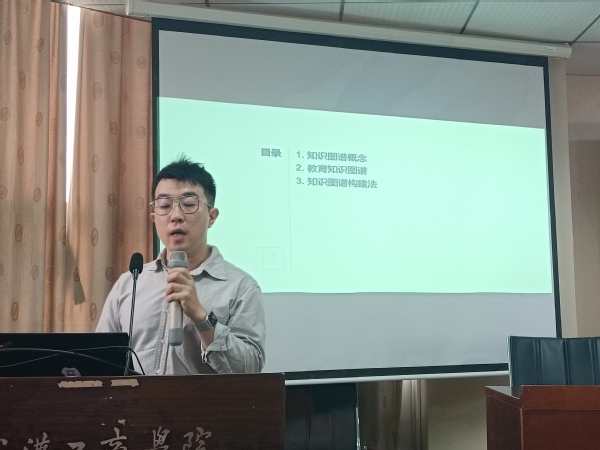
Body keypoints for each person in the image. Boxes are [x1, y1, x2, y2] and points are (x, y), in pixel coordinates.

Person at [96, 156, 266, 375]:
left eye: (189, 205)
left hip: (200, 399)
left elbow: (250, 368)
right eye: (165, 206)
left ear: (212, 217)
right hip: (138, 398)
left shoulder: (241, 287)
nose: (175, 216)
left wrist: (201, 317)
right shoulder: (130, 283)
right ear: (154, 218)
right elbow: (101, 361)